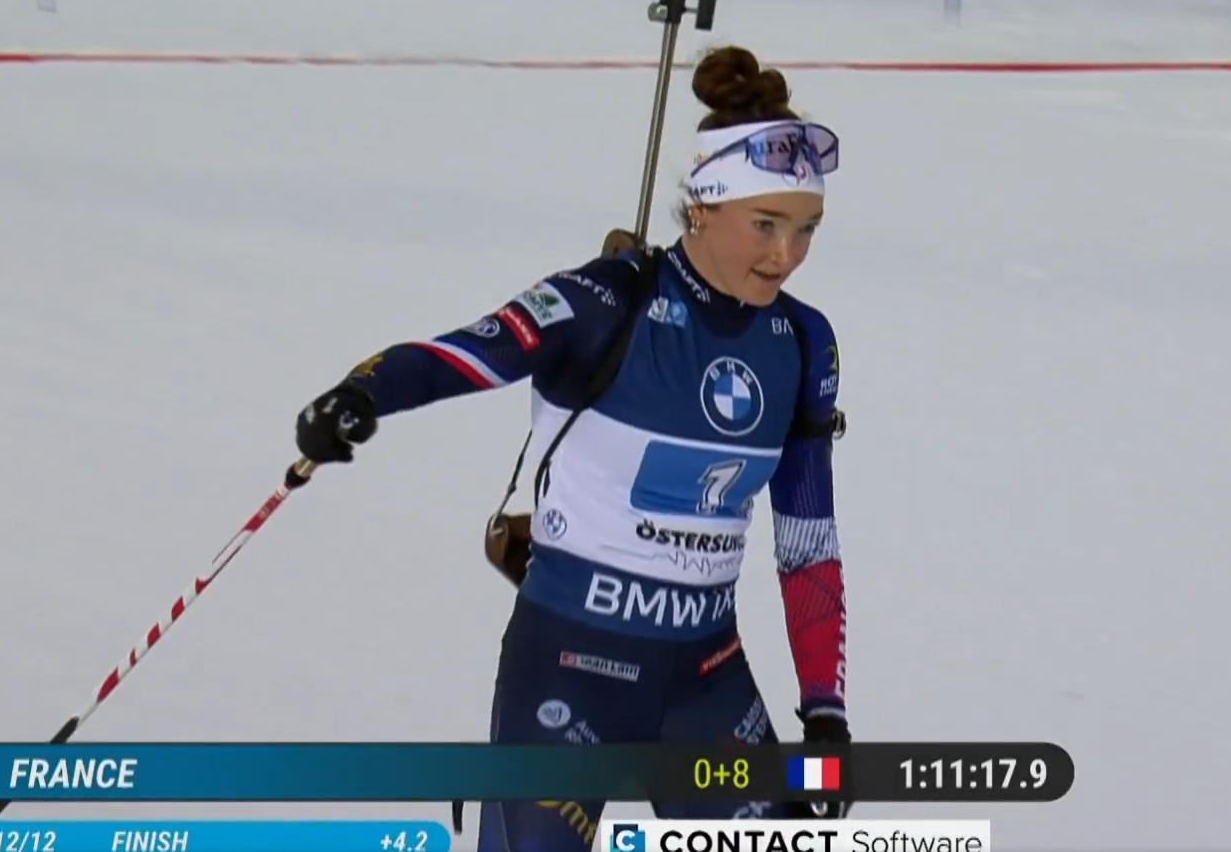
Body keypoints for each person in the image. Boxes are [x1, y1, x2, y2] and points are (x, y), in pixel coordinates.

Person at [292, 45, 852, 849]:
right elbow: (469, 351)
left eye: (806, 230)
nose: (785, 255)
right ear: (703, 207)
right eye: (765, 225)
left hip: (705, 681)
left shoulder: (801, 341)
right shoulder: (604, 300)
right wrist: (361, 394)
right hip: (569, 667)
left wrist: (824, 709)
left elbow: (808, 543)